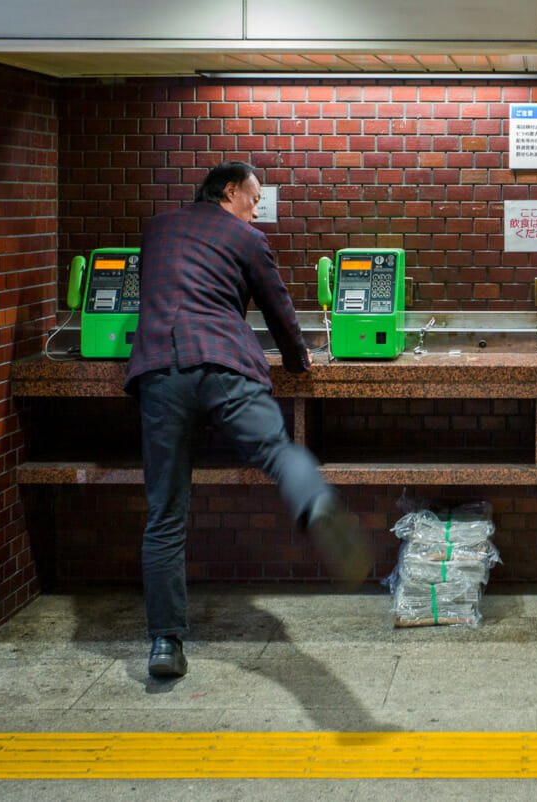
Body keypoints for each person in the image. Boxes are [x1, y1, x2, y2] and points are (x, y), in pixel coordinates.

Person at [124, 161, 370, 679]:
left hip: (158, 372)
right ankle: (315, 502)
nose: (257, 210)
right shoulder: (246, 238)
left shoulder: (157, 229)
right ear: (230, 191)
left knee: (165, 514)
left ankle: (165, 644)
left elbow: (162, 294)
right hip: (225, 366)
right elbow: (278, 310)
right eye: (254, 199)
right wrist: (301, 363)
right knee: (277, 450)